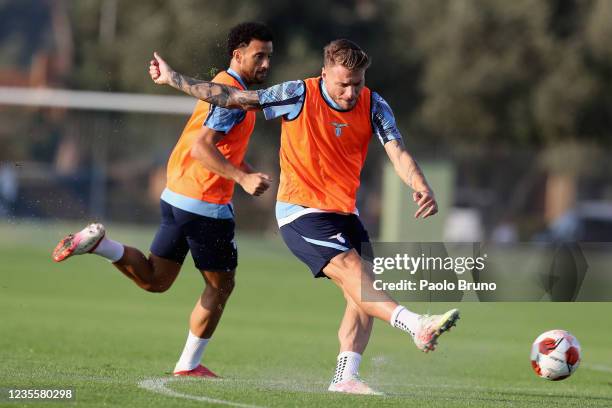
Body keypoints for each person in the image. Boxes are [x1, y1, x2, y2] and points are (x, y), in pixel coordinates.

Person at [149, 38, 460, 395]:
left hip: (345, 212)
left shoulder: (375, 105)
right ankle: (416, 324)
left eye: (357, 83)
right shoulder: (297, 93)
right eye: (343, 83)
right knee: (353, 272)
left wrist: (420, 183)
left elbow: (398, 153)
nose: (350, 92)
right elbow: (233, 97)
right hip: (301, 211)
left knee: (360, 294)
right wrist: (174, 79)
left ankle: (345, 377)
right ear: (324, 72)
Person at [51, 22, 274, 378]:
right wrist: (243, 177)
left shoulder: (224, 83)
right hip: (206, 204)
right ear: (238, 54)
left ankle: (101, 246)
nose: (265, 64)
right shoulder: (231, 97)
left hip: (177, 196)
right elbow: (202, 148)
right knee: (221, 286)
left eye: (269, 57)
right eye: (259, 56)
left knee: (156, 280)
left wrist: (245, 168)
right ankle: (188, 365)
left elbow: (221, 146)